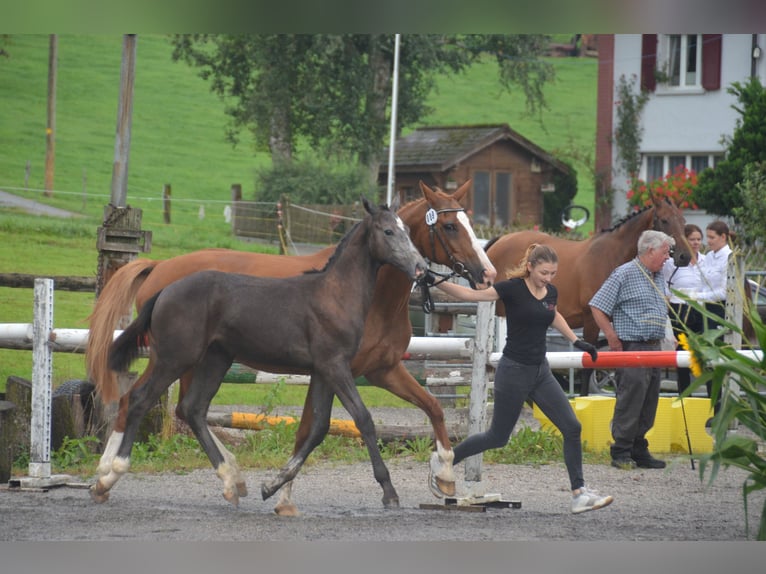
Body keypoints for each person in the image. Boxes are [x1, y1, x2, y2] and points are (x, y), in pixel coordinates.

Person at [425, 243, 613, 514]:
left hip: (541, 372)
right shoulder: (511, 288)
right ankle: (445, 459)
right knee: (498, 437)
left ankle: (579, 493)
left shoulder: (551, 292)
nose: (548, 278)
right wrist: (436, 282)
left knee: (572, 427)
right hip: (513, 372)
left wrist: (577, 340)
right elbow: (471, 295)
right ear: (530, 267)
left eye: (553, 273)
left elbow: (553, 313)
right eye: (544, 272)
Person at [589, 229, 675, 470]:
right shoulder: (624, 273)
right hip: (633, 345)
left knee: (650, 398)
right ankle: (621, 449)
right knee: (631, 395)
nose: (668, 257)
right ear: (650, 251)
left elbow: (662, 308)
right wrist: (611, 336)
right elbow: (597, 305)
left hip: (654, 346)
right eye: (665, 252)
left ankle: (638, 446)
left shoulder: (658, 275)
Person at [662, 223, 706, 396]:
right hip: (679, 309)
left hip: (701, 309)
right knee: (682, 353)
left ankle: (711, 398)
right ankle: (685, 394)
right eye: (692, 239)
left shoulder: (705, 261)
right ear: (684, 241)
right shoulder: (673, 264)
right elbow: (664, 286)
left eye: (698, 239)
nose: (695, 243)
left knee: (703, 352)